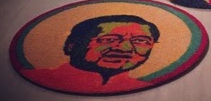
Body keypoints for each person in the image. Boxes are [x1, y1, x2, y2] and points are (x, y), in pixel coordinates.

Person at [21, 15, 160, 94]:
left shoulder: (140, 85)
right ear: (71, 46)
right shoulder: (35, 78)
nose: (125, 48)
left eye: (140, 41)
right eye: (108, 39)